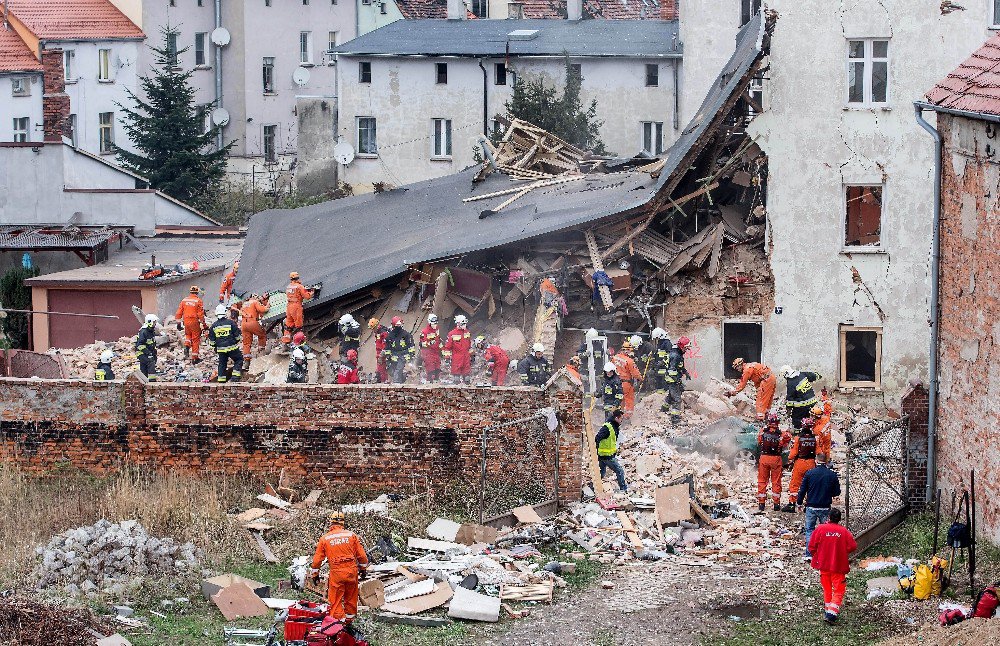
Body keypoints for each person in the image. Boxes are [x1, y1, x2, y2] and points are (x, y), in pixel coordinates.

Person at [311, 511, 369, 625]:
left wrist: (315, 574)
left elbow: (317, 559)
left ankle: (338, 625)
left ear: (330, 522)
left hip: (336, 574)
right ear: (343, 522)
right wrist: (363, 569)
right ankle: (349, 622)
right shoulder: (351, 535)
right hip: (351, 572)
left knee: (336, 600)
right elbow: (362, 556)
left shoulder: (325, 539)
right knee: (351, 598)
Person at [807, 507, 856, 624]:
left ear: (828, 517)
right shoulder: (843, 531)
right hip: (838, 565)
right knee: (839, 589)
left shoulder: (820, 529)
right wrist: (842, 551)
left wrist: (818, 556)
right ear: (839, 519)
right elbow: (852, 546)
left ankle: (828, 610)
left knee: (827, 588)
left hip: (823, 565)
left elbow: (811, 546)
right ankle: (831, 614)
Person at [798, 452, 842, 560]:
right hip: (825, 506)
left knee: (810, 530)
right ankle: (825, 554)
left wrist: (799, 503)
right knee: (826, 531)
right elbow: (837, 492)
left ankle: (809, 554)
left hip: (811, 506)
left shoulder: (809, 473)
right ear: (826, 461)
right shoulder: (832, 475)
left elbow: (802, 490)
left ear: (816, 460)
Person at [757, 412, 792, 512]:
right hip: (776, 459)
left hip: (764, 457)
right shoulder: (782, 434)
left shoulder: (762, 431)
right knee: (776, 481)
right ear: (778, 422)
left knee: (762, 481)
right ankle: (776, 504)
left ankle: (761, 503)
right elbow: (786, 441)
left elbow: (759, 441)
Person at [786, 417, 819, 512]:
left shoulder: (798, 438)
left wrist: (789, 460)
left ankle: (792, 504)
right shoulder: (815, 439)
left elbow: (792, 455)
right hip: (811, 464)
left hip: (800, 463)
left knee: (795, 484)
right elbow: (819, 453)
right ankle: (808, 505)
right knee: (810, 484)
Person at [207, 304, 243, 383]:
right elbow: (237, 336)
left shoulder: (214, 326)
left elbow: (212, 342)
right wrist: (235, 341)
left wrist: (216, 347)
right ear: (225, 313)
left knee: (222, 364)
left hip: (221, 349)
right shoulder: (231, 323)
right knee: (239, 359)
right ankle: (235, 378)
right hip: (232, 348)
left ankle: (221, 381)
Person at [779, 365, 822, 429]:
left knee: (796, 419)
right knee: (808, 417)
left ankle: (798, 433)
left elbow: (790, 399)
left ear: (786, 374)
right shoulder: (801, 374)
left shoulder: (791, 382)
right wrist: (818, 376)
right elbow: (813, 376)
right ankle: (809, 430)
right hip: (812, 402)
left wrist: (788, 411)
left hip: (802, 405)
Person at [594, 409, 627, 493]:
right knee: (619, 470)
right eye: (621, 419)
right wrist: (596, 450)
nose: (622, 420)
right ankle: (623, 489)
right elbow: (597, 438)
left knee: (601, 473)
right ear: (616, 418)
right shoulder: (607, 427)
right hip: (606, 456)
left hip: (604, 455)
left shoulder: (614, 426)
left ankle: (592, 488)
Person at [661, 336, 692, 424]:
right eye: (686, 348)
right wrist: (677, 381)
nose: (686, 350)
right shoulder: (675, 355)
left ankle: (664, 408)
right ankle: (675, 418)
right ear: (682, 347)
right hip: (672, 380)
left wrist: (685, 372)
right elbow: (672, 370)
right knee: (677, 399)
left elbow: (680, 366)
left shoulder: (676, 352)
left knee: (672, 394)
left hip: (672, 378)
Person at [175, 286, 207, 363]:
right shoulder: (198, 301)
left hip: (186, 321)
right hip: (194, 321)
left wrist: (178, 323)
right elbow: (200, 314)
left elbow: (179, 312)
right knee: (195, 338)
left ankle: (186, 346)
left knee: (188, 335)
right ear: (197, 292)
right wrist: (204, 324)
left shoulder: (184, 300)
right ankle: (195, 358)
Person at [240, 293, 270, 371]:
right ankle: (261, 352)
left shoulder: (245, 304)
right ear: (254, 297)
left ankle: (246, 361)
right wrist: (267, 306)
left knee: (246, 343)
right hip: (252, 322)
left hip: (243, 324)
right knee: (262, 335)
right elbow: (263, 310)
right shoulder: (254, 302)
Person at [283, 271, 314, 348]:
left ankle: (286, 343)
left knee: (288, 325)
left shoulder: (289, 286)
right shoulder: (299, 286)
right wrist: (311, 292)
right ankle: (300, 343)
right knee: (298, 325)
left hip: (289, 306)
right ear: (297, 278)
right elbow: (307, 296)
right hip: (296, 306)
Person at [612, 343, 642, 418]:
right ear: (628, 350)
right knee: (629, 400)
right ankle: (627, 418)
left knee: (619, 399)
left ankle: (617, 416)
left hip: (615, 382)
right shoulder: (629, 361)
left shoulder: (615, 358)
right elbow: (635, 374)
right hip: (625, 383)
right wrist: (641, 379)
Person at [384, 316, 415, 384]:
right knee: (392, 371)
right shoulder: (390, 336)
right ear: (393, 325)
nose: (398, 327)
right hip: (394, 357)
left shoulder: (406, 334)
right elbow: (388, 347)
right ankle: (404, 377)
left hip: (403, 355)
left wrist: (411, 356)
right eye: (397, 325)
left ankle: (397, 383)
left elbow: (411, 345)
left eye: (399, 325)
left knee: (398, 370)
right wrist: (387, 357)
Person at [443, 314, 473, 384]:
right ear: (458, 324)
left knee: (467, 378)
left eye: (465, 323)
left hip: (466, 357)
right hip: (457, 358)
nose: (464, 325)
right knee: (456, 378)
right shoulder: (452, 334)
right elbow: (447, 347)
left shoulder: (467, 333)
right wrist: (447, 357)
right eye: (463, 324)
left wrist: (472, 355)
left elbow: (469, 346)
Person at [419, 314, 444, 383]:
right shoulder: (424, 332)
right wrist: (429, 343)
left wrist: (443, 350)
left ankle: (436, 384)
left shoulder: (436, 330)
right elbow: (421, 344)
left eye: (436, 323)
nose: (435, 325)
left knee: (437, 369)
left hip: (435, 352)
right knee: (431, 370)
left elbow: (438, 340)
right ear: (429, 322)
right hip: (428, 353)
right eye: (433, 323)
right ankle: (429, 384)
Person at [135, 314, 159, 378]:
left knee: (144, 367)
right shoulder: (143, 331)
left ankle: (144, 381)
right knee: (150, 362)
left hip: (147, 352)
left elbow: (152, 343)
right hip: (141, 353)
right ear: (149, 322)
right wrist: (148, 353)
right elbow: (140, 345)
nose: (155, 324)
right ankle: (152, 381)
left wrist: (154, 353)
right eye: (154, 322)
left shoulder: (151, 331)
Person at [651, 327, 672, 394]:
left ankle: (665, 394)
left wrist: (663, 361)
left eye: (657, 338)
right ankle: (659, 393)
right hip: (659, 366)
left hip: (665, 366)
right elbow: (659, 353)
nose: (657, 339)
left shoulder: (667, 343)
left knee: (664, 381)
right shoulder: (660, 342)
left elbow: (670, 355)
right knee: (658, 380)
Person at [369, 318, 389, 383]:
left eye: (373, 328)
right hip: (379, 353)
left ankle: (383, 382)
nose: (372, 330)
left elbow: (385, 345)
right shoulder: (377, 332)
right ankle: (380, 379)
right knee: (379, 369)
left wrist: (381, 355)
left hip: (382, 353)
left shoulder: (383, 332)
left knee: (382, 369)